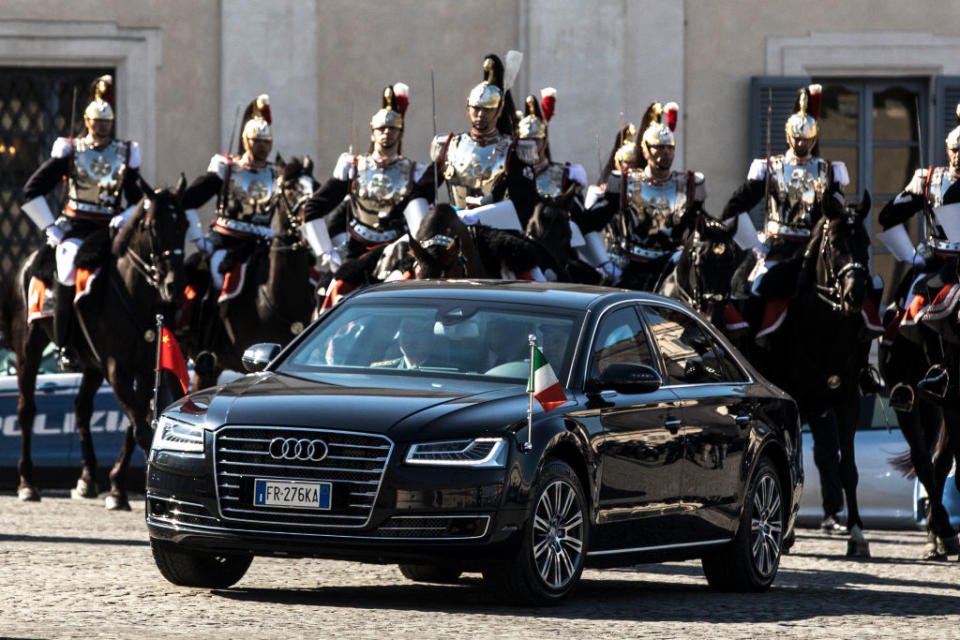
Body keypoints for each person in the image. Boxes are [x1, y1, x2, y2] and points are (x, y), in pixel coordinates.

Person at [21, 75, 144, 369]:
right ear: (87, 121)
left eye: (107, 122)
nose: (103, 126)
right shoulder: (71, 151)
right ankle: (64, 345)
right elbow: (32, 190)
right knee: (66, 270)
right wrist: (51, 228)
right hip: (75, 228)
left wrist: (125, 217)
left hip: (109, 229)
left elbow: (135, 196)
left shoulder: (124, 154)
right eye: (98, 121)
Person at [722, 84, 848, 301]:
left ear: (814, 138)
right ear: (789, 136)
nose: (801, 143)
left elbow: (837, 213)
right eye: (797, 138)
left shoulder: (828, 171)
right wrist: (754, 243)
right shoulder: (770, 168)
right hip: (776, 247)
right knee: (751, 290)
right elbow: (735, 206)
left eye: (806, 139)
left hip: (814, 247)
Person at [302, 83, 429, 272]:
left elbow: (423, 221)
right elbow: (313, 208)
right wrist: (326, 251)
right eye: (381, 129)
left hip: (399, 252)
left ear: (401, 134)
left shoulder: (415, 172)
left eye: (392, 129)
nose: (386, 133)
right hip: (357, 251)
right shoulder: (352, 167)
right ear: (372, 133)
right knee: (333, 292)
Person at [588, 101, 706, 291]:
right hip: (631, 265)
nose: (665, 152)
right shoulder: (624, 182)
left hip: (672, 265)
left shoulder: (690, 184)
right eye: (658, 147)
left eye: (669, 147)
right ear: (645, 150)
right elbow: (594, 222)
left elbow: (697, 225)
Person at [428, 52, 539, 231]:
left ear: (498, 111)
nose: (480, 115)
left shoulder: (514, 148)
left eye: (486, 110)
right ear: (468, 109)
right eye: (476, 109)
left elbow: (524, 197)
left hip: (499, 228)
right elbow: (423, 189)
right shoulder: (450, 146)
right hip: (455, 227)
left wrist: (491, 201)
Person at [878, 100, 960, 337]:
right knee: (907, 303)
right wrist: (911, 255)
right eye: (955, 150)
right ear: (948, 150)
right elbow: (889, 216)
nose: (958, 156)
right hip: (936, 261)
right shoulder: (930, 179)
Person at [181, 94, 277, 290]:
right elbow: (188, 200)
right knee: (194, 272)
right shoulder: (228, 168)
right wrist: (198, 239)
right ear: (246, 141)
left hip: (264, 243)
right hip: (225, 240)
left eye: (266, 142)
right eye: (257, 141)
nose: (262, 146)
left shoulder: (277, 174)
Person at [372, 317, 436, 369]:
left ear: (432, 336)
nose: (409, 338)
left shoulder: (443, 373)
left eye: (418, 331)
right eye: (405, 330)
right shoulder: (381, 371)